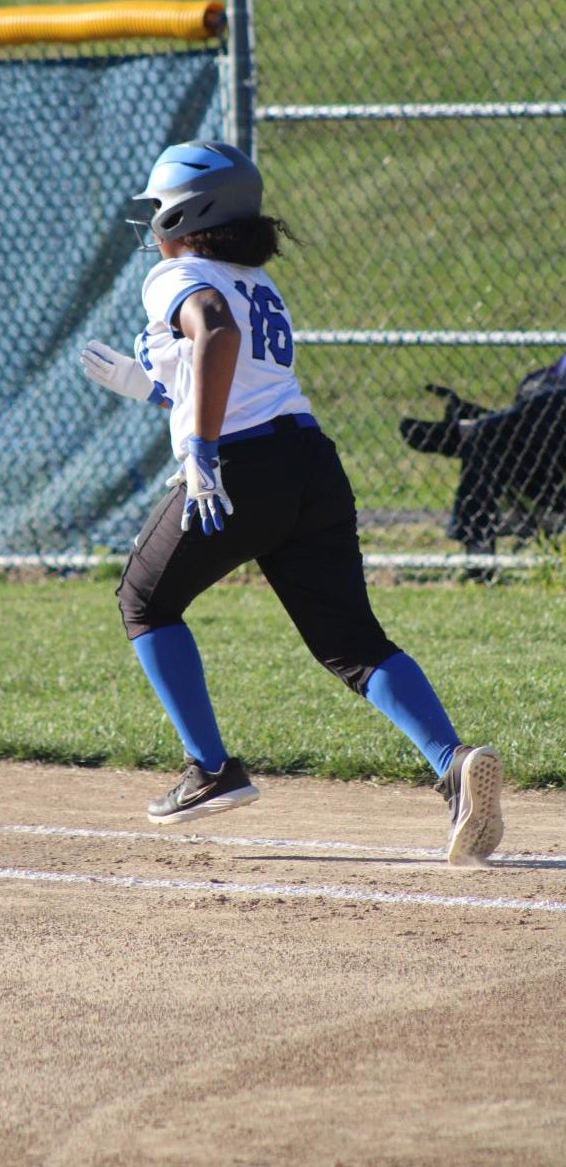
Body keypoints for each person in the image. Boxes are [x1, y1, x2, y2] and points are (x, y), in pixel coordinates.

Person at [80, 140, 504, 865]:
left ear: (187, 211)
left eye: (159, 208)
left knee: (143, 601)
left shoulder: (174, 272)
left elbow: (214, 332)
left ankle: (210, 770)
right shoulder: (255, 279)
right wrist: (150, 388)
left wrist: (199, 450)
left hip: (242, 464)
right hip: (310, 464)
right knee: (352, 642)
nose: (152, 223)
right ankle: (451, 763)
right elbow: (229, 367)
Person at [400, 356, 566, 554]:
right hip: (539, 458)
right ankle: (479, 552)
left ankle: (465, 430)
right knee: (488, 438)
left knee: (492, 432)